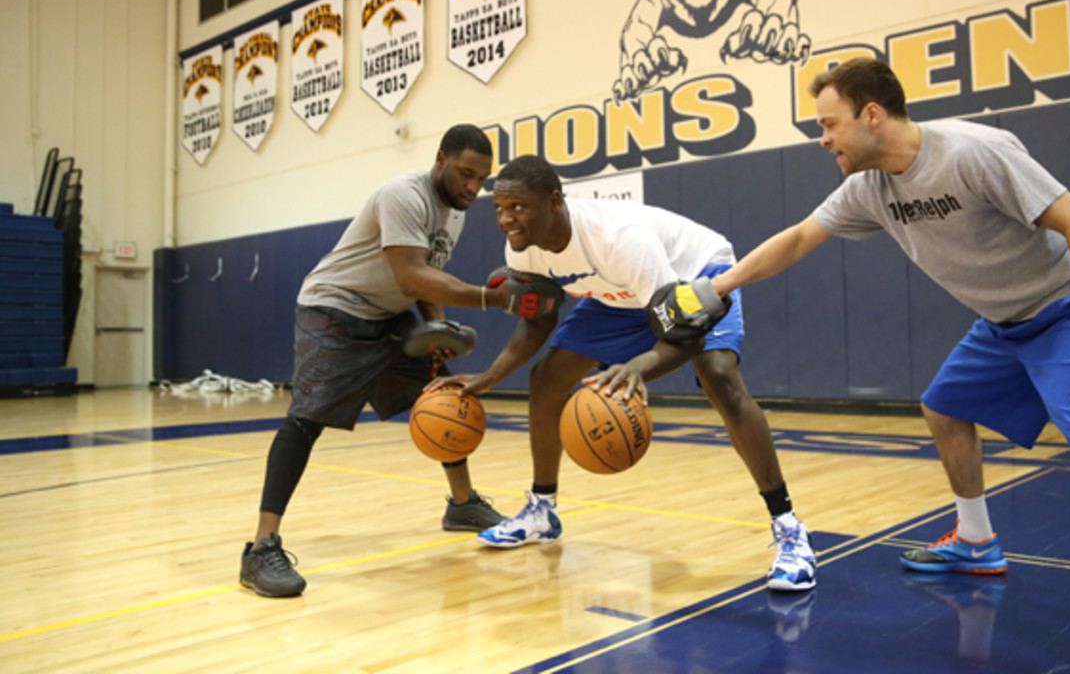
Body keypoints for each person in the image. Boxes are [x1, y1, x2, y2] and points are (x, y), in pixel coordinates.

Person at [699, 57, 1070, 673]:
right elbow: (798, 238)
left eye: (829, 124)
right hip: (1006, 321)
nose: (822, 139)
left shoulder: (974, 152)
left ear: (870, 114)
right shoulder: (869, 188)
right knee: (945, 407)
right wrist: (718, 289)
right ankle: (977, 542)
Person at [429, 154, 818, 592]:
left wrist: (639, 365)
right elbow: (539, 321)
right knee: (547, 377)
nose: (505, 219)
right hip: (622, 294)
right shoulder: (523, 248)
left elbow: (682, 336)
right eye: (499, 208)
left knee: (720, 378)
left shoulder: (621, 240)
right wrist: (490, 377)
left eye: (517, 207)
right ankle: (542, 509)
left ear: (554, 202)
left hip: (692, 277)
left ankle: (789, 530)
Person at [240, 124, 514, 598]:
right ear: (441, 158)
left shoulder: (456, 213)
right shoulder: (401, 195)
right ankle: (261, 548)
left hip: (387, 315)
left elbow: (431, 278)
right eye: (466, 173)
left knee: (445, 398)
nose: (473, 187)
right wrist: (492, 300)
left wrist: (439, 331)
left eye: (482, 179)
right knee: (305, 419)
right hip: (333, 308)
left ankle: (463, 504)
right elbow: (411, 276)